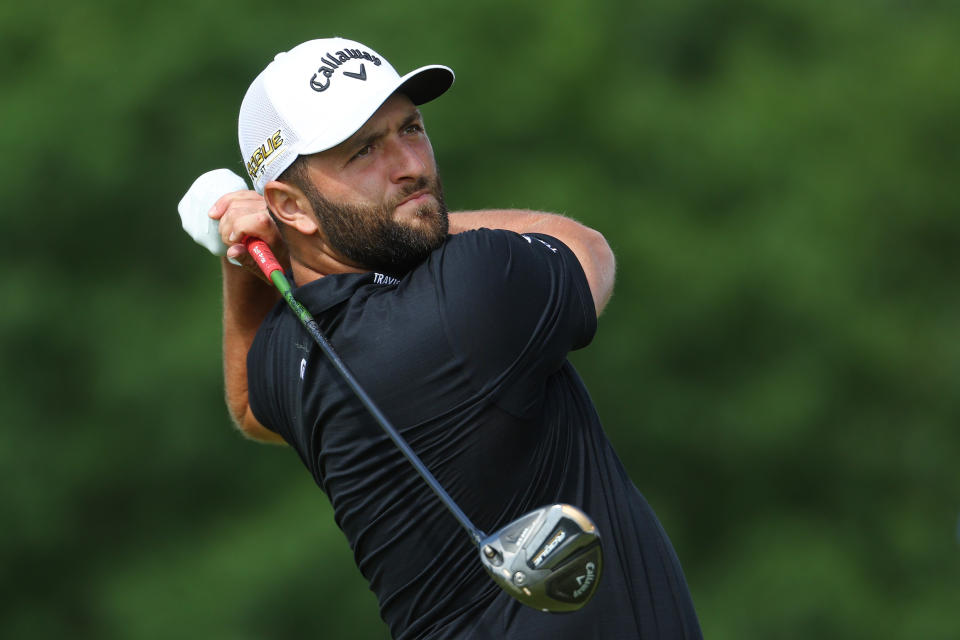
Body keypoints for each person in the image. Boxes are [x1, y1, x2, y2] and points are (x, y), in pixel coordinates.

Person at [211, 37, 702, 639]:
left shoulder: (288, 355)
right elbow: (586, 247)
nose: (410, 164)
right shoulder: (470, 291)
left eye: (410, 128)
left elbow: (248, 407)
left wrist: (248, 259)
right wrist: (408, 223)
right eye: (364, 151)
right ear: (292, 205)